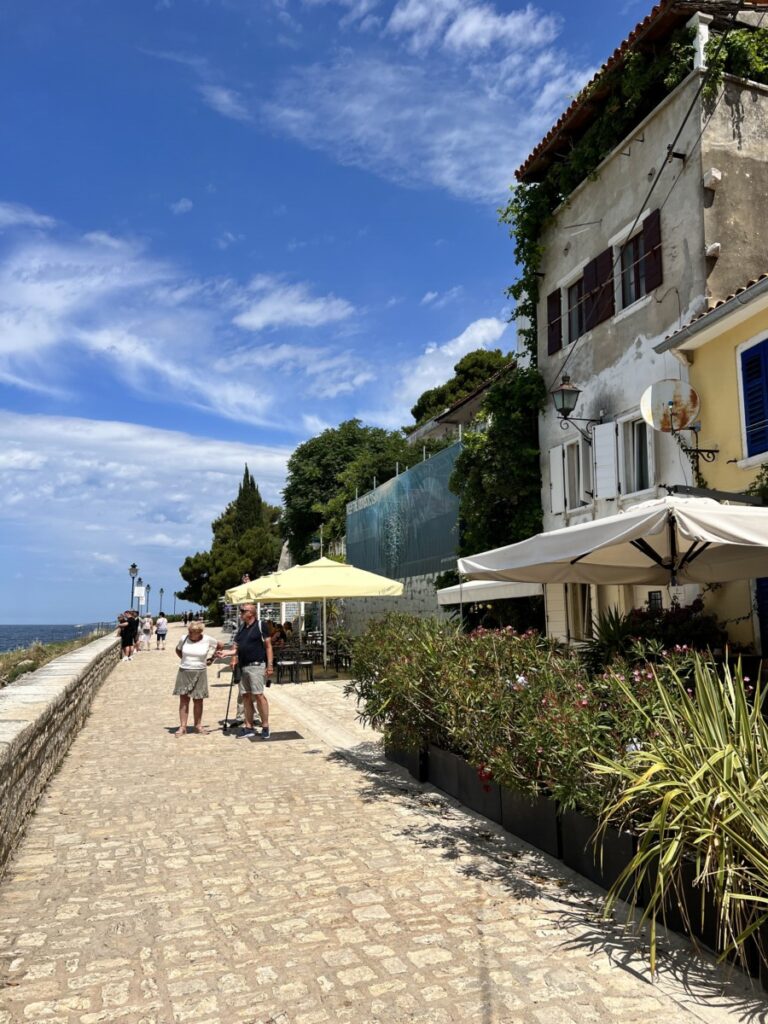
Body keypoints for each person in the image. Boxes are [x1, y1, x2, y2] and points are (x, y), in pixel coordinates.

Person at [230, 603, 273, 739]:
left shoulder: (261, 626)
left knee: (259, 696)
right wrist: (227, 655)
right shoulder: (242, 628)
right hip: (243, 667)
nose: (240, 613)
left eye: (243, 611)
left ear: (251, 613)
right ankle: (249, 726)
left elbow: (268, 646)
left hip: (256, 666)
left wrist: (270, 665)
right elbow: (235, 648)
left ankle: (265, 726)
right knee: (246, 696)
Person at [173, 621, 221, 736]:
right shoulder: (184, 638)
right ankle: (182, 726)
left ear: (199, 632)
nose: (190, 633)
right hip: (184, 670)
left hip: (200, 671)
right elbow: (178, 650)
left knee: (198, 700)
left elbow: (220, 645)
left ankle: (198, 725)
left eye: (192, 632)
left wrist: (211, 658)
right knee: (184, 699)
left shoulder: (207, 639)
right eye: (189, 631)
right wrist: (184, 659)